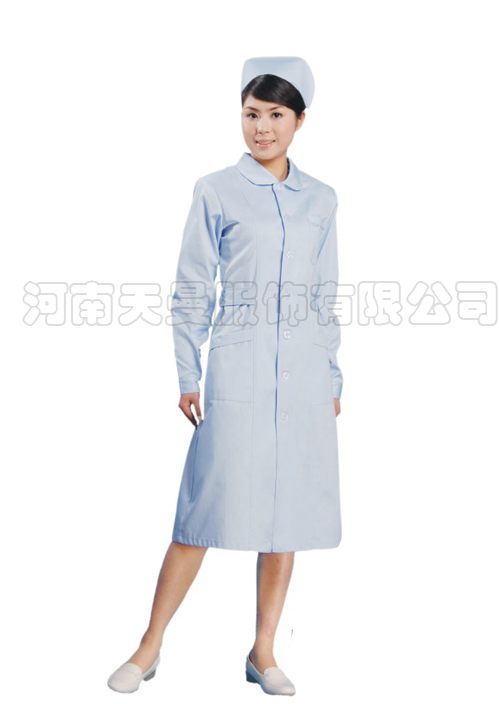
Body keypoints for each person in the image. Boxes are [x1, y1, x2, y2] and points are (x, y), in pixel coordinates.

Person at [108, 55, 343, 697]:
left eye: (275, 115)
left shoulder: (321, 199)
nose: (261, 128)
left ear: (300, 121)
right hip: (237, 372)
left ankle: (263, 652)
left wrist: (332, 378)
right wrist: (188, 372)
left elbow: (324, 295)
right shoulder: (216, 190)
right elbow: (192, 287)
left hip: (303, 378)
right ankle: (149, 645)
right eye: (250, 114)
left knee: (287, 516)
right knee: (203, 511)